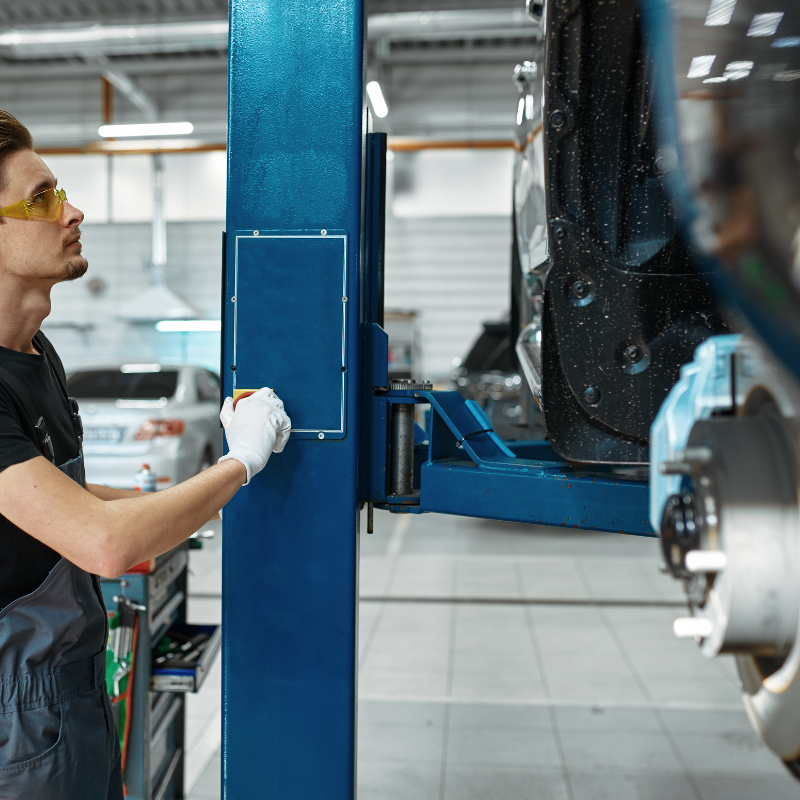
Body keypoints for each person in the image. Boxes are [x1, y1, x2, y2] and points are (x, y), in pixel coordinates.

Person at [0, 110, 290, 798]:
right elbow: (102, 544)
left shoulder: (37, 356)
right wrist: (239, 463)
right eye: (41, 199)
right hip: (16, 707)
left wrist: (191, 505)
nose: (72, 211)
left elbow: (67, 501)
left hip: (70, 682)